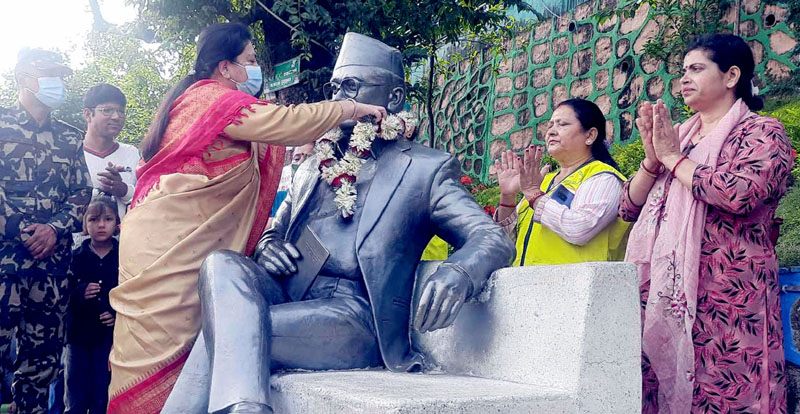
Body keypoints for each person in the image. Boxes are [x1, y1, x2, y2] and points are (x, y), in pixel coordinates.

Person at [161, 32, 514, 414]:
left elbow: (490, 236)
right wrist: (268, 245)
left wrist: (460, 271)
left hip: (352, 317)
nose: (339, 99)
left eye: (352, 87)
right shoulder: (313, 166)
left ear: (393, 98)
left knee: (232, 329)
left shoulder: (425, 170)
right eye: (334, 89)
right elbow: (275, 228)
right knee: (221, 264)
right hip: (289, 292)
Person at [107, 23, 387, 414]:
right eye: (250, 62)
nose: (255, 71)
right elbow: (288, 125)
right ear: (226, 67)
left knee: (168, 338)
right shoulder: (214, 101)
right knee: (161, 342)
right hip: (177, 243)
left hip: (159, 233)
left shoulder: (191, 100)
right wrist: (351, 109)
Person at [620, 34, 792, 413]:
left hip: (729, 294)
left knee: (730, 390)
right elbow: (627, 209)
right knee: (659, 389)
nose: (684, 78)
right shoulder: (678, 139)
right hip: (668, 293)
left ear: (731, 76)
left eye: (696, 69)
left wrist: (674, 160)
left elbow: (740, 193)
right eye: (682, 71)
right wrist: (653, 161)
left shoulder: (762, 132)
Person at [0, 49, 92, 414]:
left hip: (51, 273)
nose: (57, 81)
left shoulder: (70, 138)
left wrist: (53, 230)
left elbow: (81, 193)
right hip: (4, 266)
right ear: (23, 76)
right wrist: (22, 231)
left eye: (60, 74)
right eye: (48, 72)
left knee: (42, 366)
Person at [493, 98, 630, 266]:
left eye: (562, 124)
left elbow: (579, 230)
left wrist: (534, 195)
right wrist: (508, 196)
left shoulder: (603, 178)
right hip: (526, 287)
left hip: (574, 288)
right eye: (550, 125)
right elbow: (504, 244)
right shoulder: (543, 182)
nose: (551, 132)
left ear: (590, 135)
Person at [63, 196, 119, 414]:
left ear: (117, 223)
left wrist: (116, 314)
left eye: (108, 219)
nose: (101, 225)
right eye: (94, 219)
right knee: (75, 394)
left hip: (109, 338)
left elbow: (131, 293)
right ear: (84, 225)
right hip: (77, 337)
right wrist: (79, 293)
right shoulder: (74, 257)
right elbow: (60, 295)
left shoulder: (124, 257)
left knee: (102, 393)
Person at [81, 83, 140, 220]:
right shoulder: (72, 154)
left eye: (121, 111)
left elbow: (146, 198)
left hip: (125, 239)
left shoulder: (131, 153)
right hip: (77, 240)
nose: (116, 117)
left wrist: (123, 189)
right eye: (107, 110)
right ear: (88, 114)